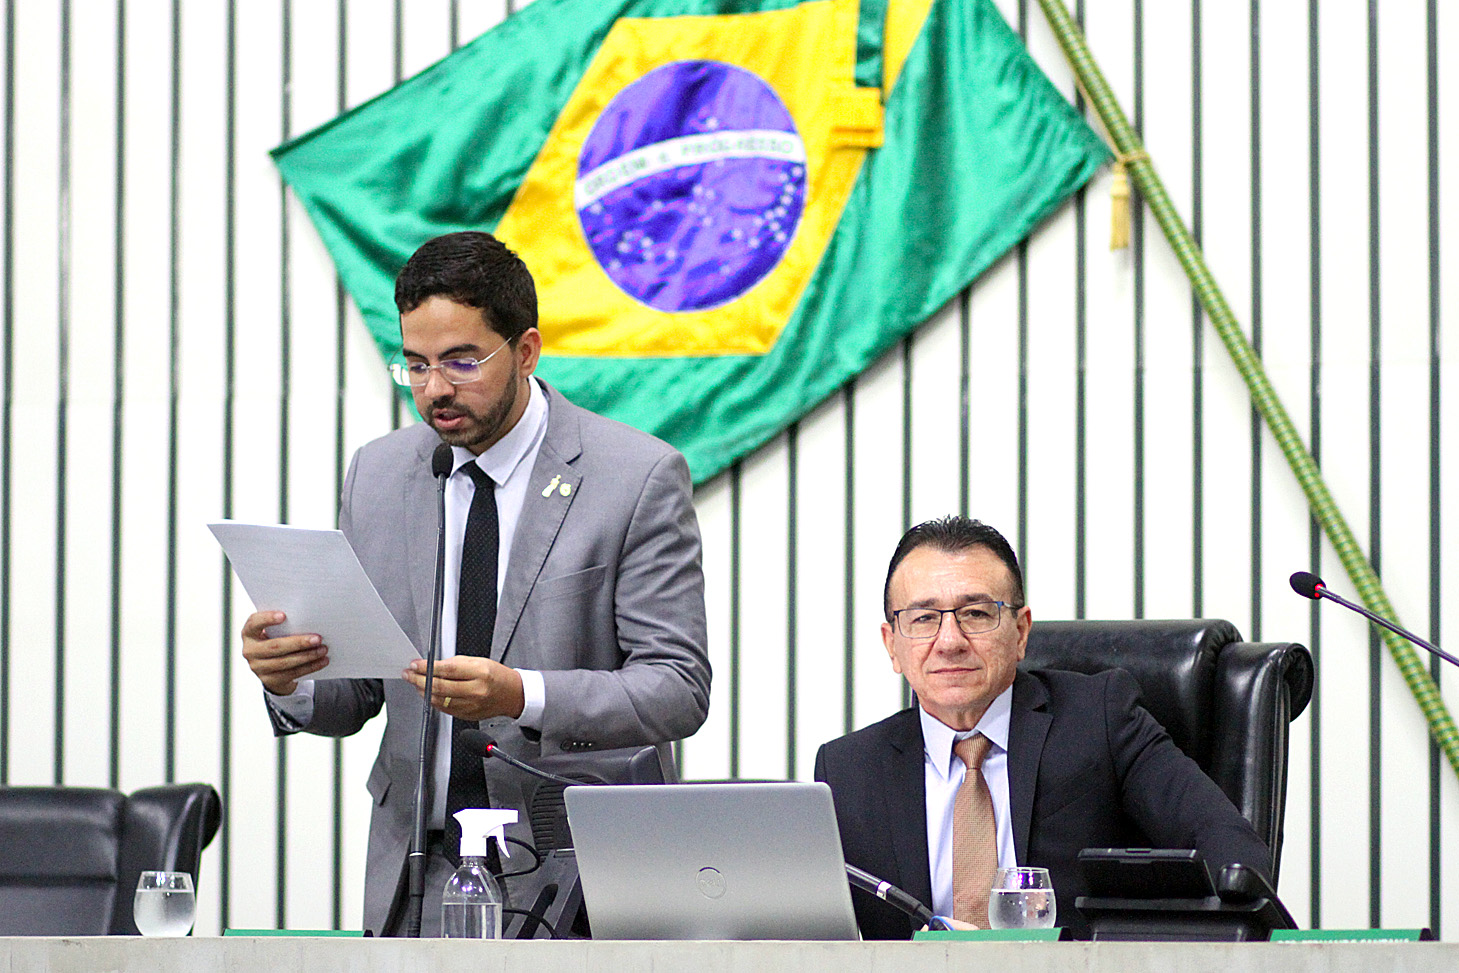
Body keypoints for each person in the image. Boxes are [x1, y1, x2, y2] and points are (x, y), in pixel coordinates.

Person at [241, 231, 711, 936]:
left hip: (580, 871)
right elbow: (361, 691)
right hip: (418, 874)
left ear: (525, 351)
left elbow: (676, 687)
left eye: (462, 361)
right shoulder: (379, 474)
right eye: (416, 365)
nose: (435, 389)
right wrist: (291, 680)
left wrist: (521, 694)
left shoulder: (634, 477)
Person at [814, 516, 1271, 940]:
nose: (949, 641)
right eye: (923, 618)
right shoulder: (848, 771)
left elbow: (1227, 844)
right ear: (892, 645)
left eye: (976, 613)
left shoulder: (1100, 719)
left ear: (1021, 631)